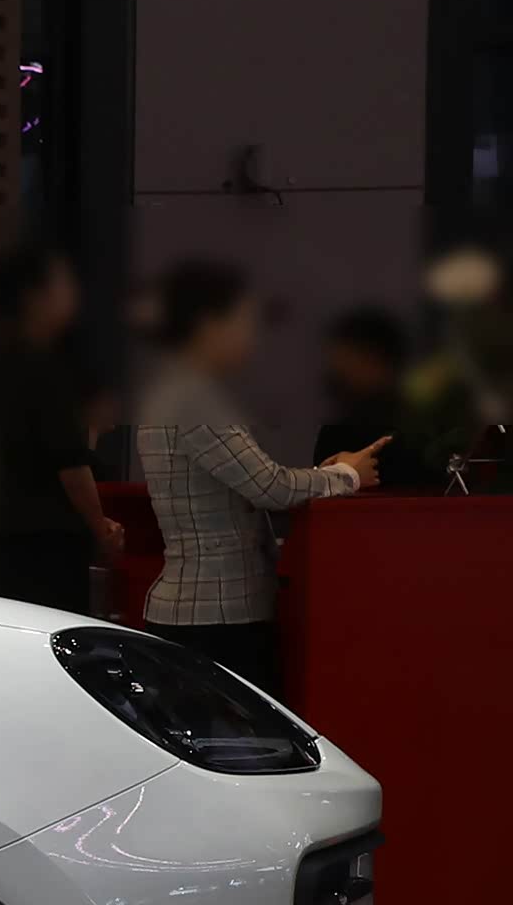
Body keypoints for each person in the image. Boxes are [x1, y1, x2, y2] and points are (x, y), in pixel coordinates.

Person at [134, 262, 382, 691]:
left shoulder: (176, 390)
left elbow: (246, 480)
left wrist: (323, 474)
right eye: (243, 321)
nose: (251, 336)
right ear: (208, 324)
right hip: (215, 614)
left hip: (204, 609)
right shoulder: (194, 399)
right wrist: (347, 476)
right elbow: (270, 487)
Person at [0, 241, 119, 613]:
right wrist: (101, 529)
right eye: (64, 285)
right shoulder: (46, 366)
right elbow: (71, 467)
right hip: (46, 554)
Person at [314, 308, 432, 491]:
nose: (337, 372)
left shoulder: (417, 436)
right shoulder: (336, 431)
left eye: (349, 360)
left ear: (377, 362)